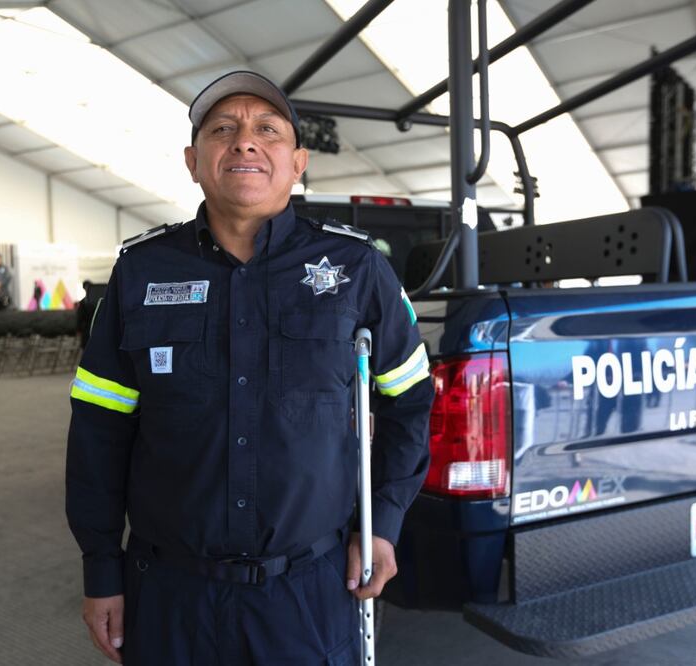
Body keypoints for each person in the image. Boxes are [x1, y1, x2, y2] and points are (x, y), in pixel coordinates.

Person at [66, 71, 433, 665]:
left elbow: (409, 399)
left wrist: (383, 522)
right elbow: (98, 429)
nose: (244, 142)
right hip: (168, 593)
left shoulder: (356, 268)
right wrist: (100, 567)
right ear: (193, 160)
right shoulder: (140, 271)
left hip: (310, 592)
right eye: (222, 130)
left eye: (268, 130)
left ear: (298, 162)